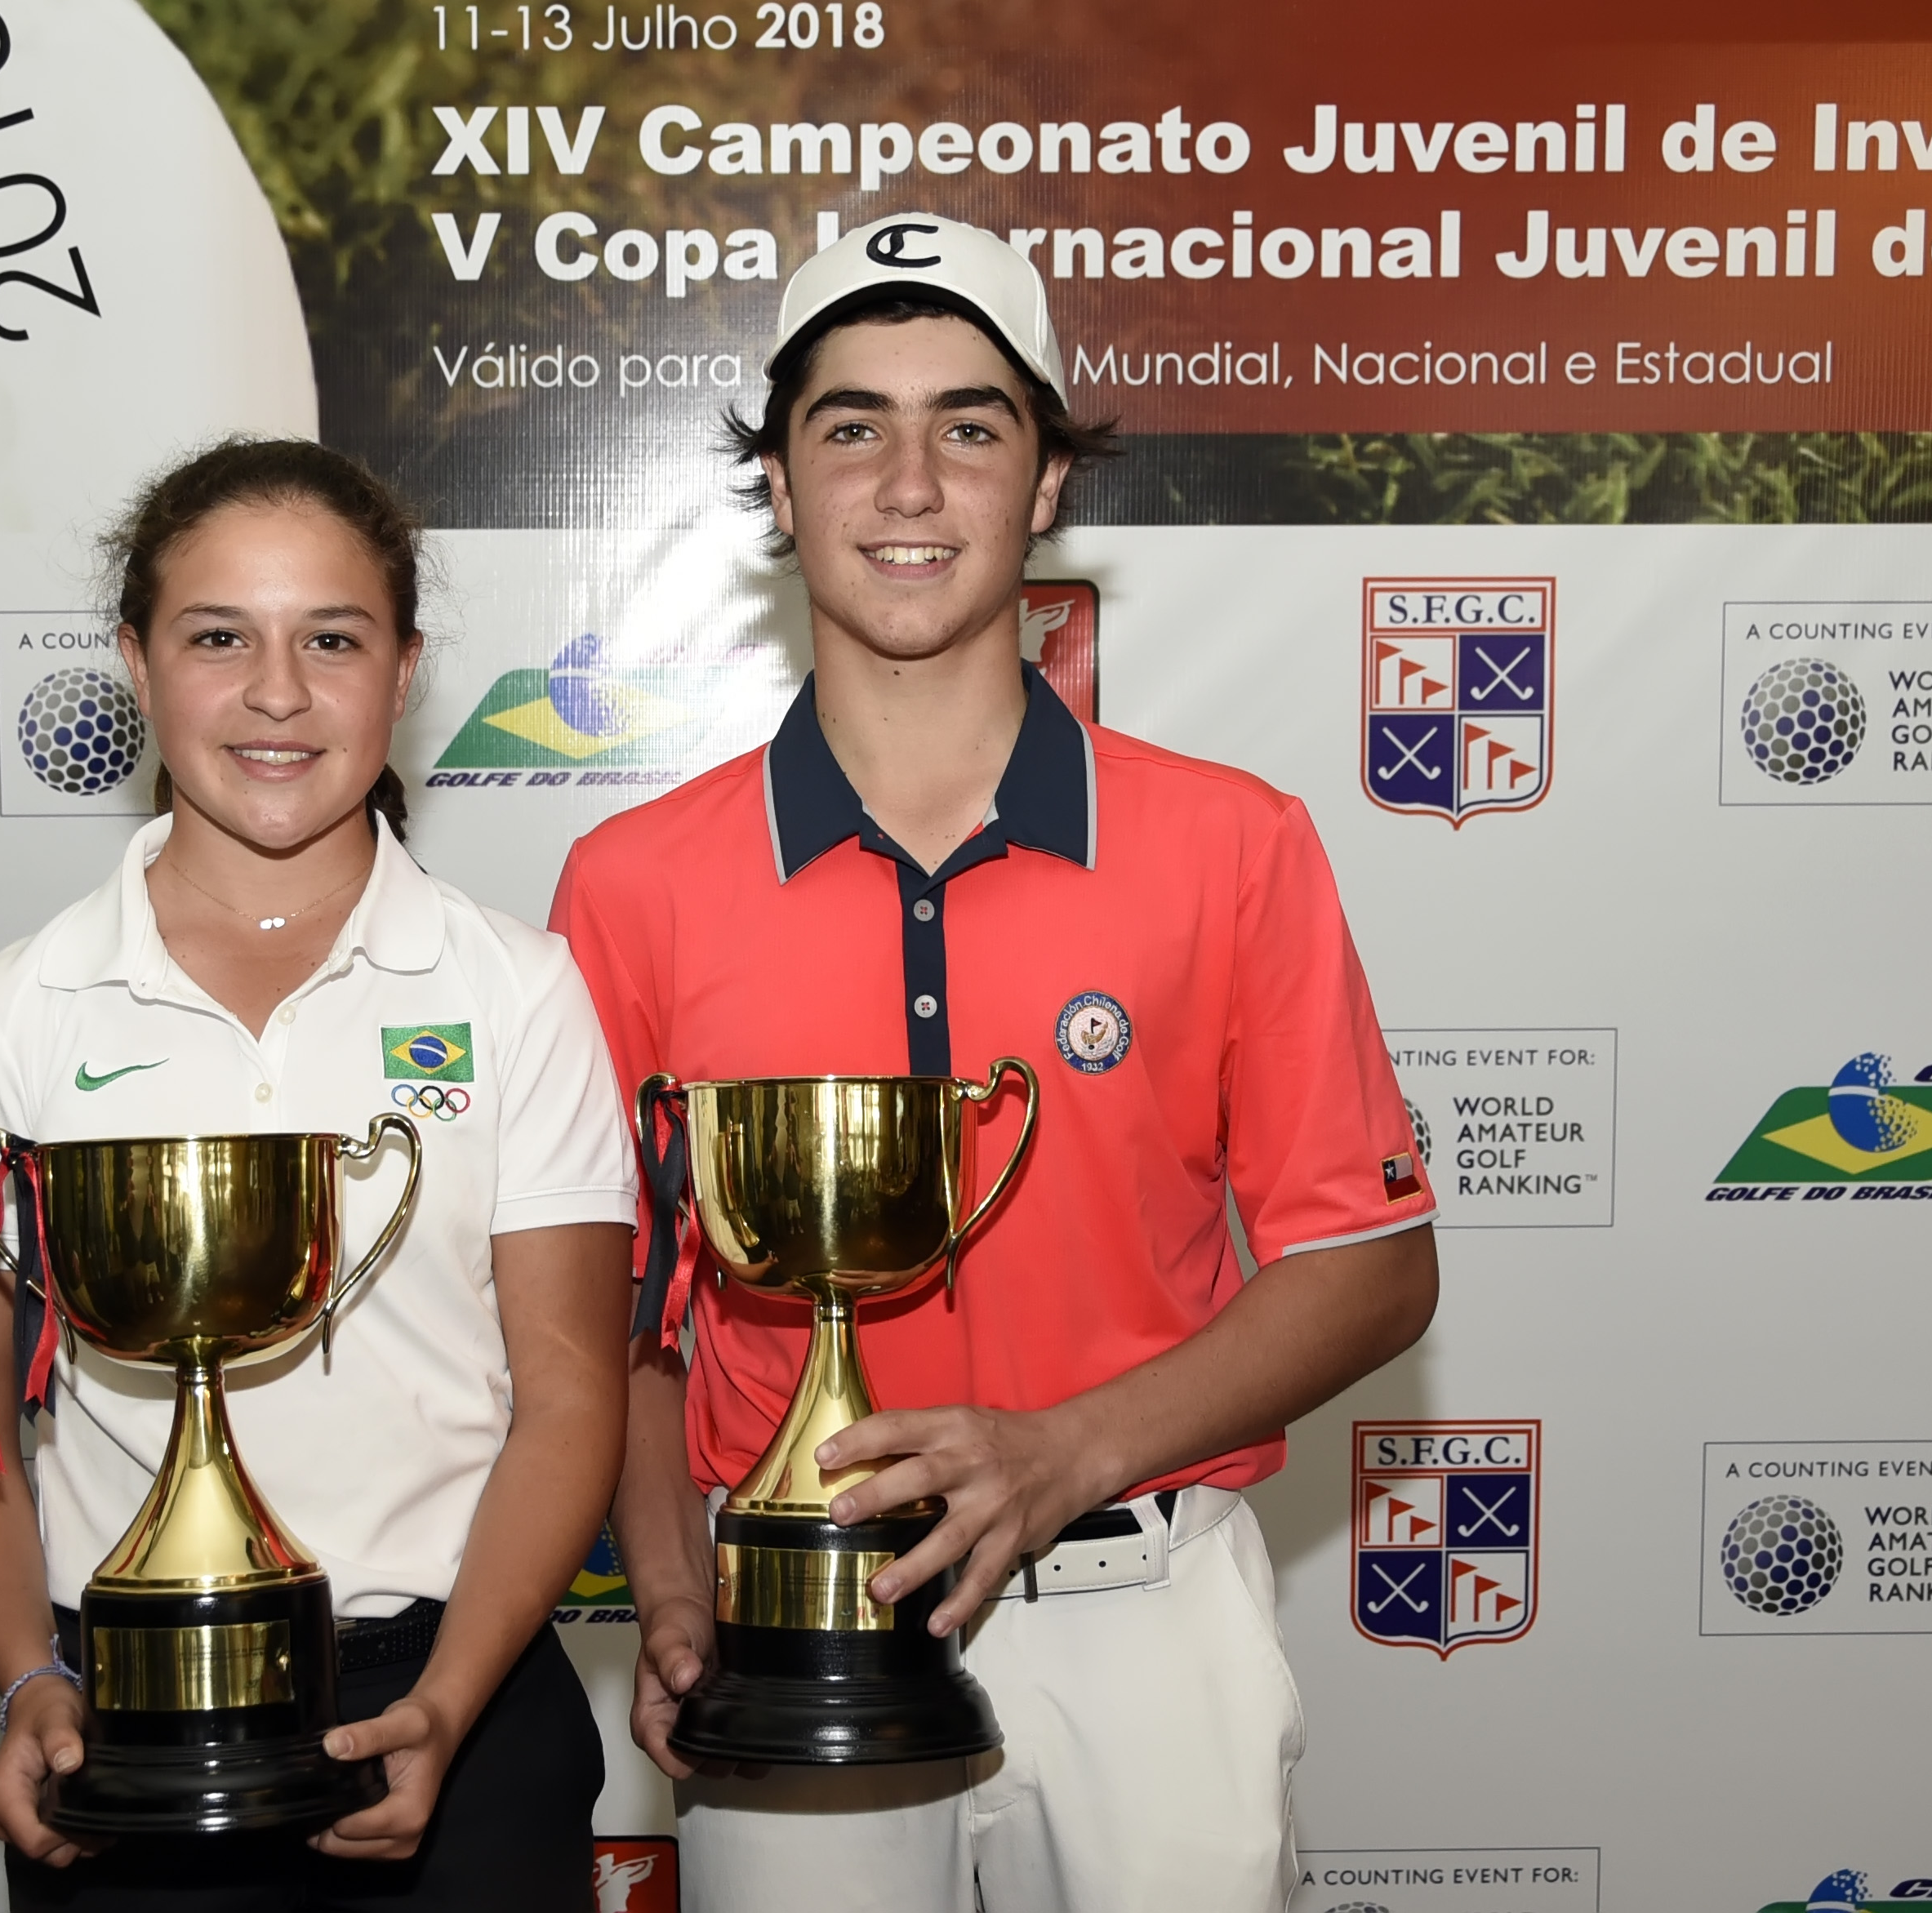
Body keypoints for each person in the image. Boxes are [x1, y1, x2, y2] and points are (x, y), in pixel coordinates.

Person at [546, 215, 1442, 1912]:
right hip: (794, 1624)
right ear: (778, 483)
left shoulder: (1229, 844)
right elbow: (623, 1321)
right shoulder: (631, 884)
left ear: (1044, 484)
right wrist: (670, 1593)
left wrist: (1066, 1451)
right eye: (851, 427)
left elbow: (1369, 1264)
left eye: (968, 426)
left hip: (1140, 1616)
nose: (909, 484)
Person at [0, 439, 637, 1909]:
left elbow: (569, 1395)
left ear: (405, 671)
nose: (278, 692)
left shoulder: (516, 988)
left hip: (460, 1698)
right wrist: (26, 1676)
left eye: (333, 640)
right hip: (128, 1726)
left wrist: (450, 1700)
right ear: (135, 662)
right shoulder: (19, 1005)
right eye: (219, 637)